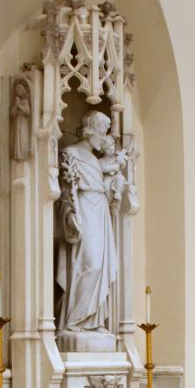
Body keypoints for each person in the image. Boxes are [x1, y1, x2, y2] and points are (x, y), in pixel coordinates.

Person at [55, 110, 121, 334]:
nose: (105, 137)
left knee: (101, 264)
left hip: (100, 209)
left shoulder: (95, 159)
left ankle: (93, 319)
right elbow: (65, 191)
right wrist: (70, 214)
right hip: (84, 208)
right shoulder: (70, 153)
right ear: (90, 129)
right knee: (88, 262)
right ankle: (73, 318)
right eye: (103, 131)